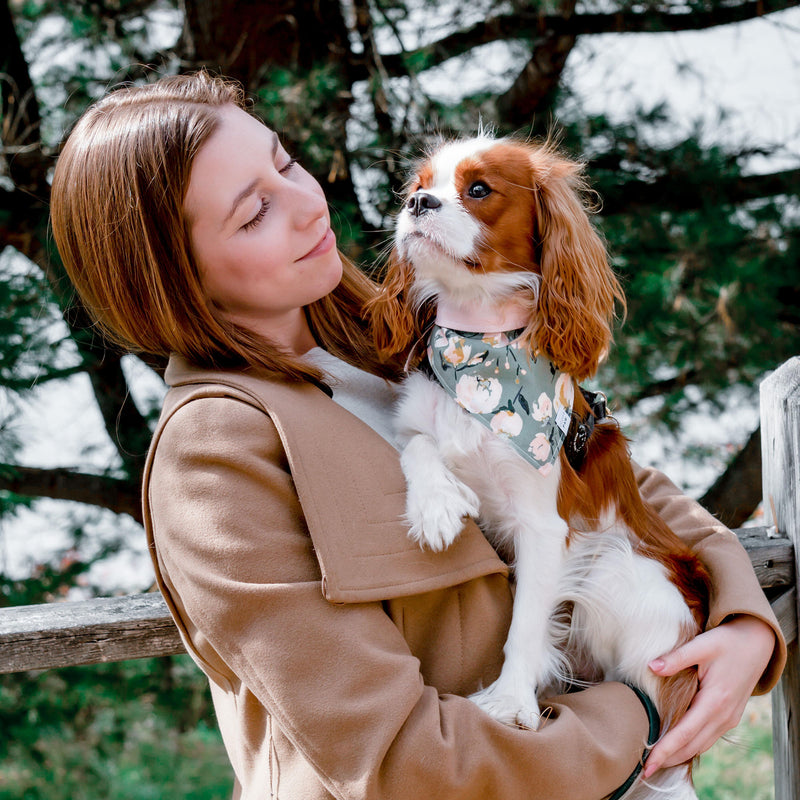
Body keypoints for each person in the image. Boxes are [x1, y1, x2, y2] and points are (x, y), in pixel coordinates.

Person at [50, 71, 785, 800]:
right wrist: (645, 715)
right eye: (255, 213)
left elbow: (601, 469)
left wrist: (741, 617)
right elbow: (398, 764)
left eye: (286, 162)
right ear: (172, 278)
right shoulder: (213, 455)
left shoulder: (410, 327)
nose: (308, 205)